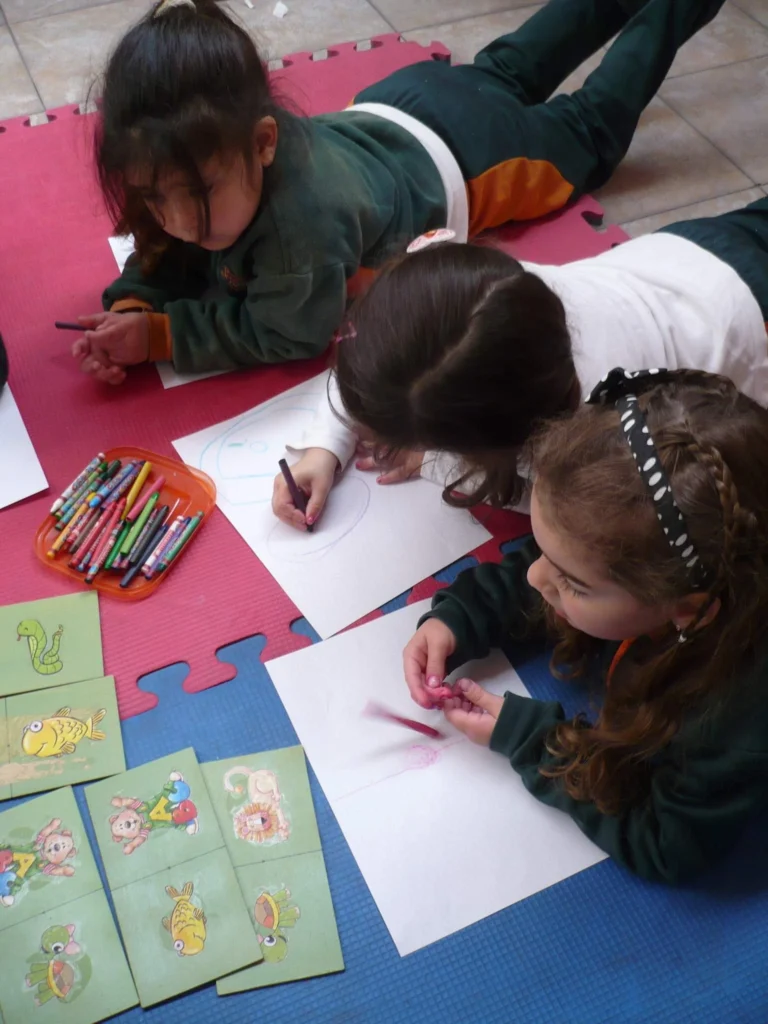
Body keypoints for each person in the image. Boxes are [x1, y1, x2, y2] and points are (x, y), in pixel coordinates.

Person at [72, 0, 725, 384]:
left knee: (589, 128)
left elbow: (291, 333)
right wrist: (134, 299)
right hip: (398, 99)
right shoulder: (203, 151)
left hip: (475, 155)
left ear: (264, 143)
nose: (180, 222)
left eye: (201, 194)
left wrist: (161, 336)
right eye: (155, 198)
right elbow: (167, 247)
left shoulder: (304, 227)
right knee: (508, 66)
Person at [403, 369, 768, 882]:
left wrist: (534, 742)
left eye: (570, 583)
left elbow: (667, 843)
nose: (534, 575)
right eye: (544, 549)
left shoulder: (734, 717)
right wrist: (461, 617)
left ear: (688, 609)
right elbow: (556, 561)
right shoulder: (662, 554)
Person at [274, 196, 768, 528]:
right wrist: (325, 447)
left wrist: (436, 465)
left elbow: (561, 513)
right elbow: (383, 361)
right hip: (679, 254)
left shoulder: (596, 432)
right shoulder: (468, 294)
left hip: (745, 316)